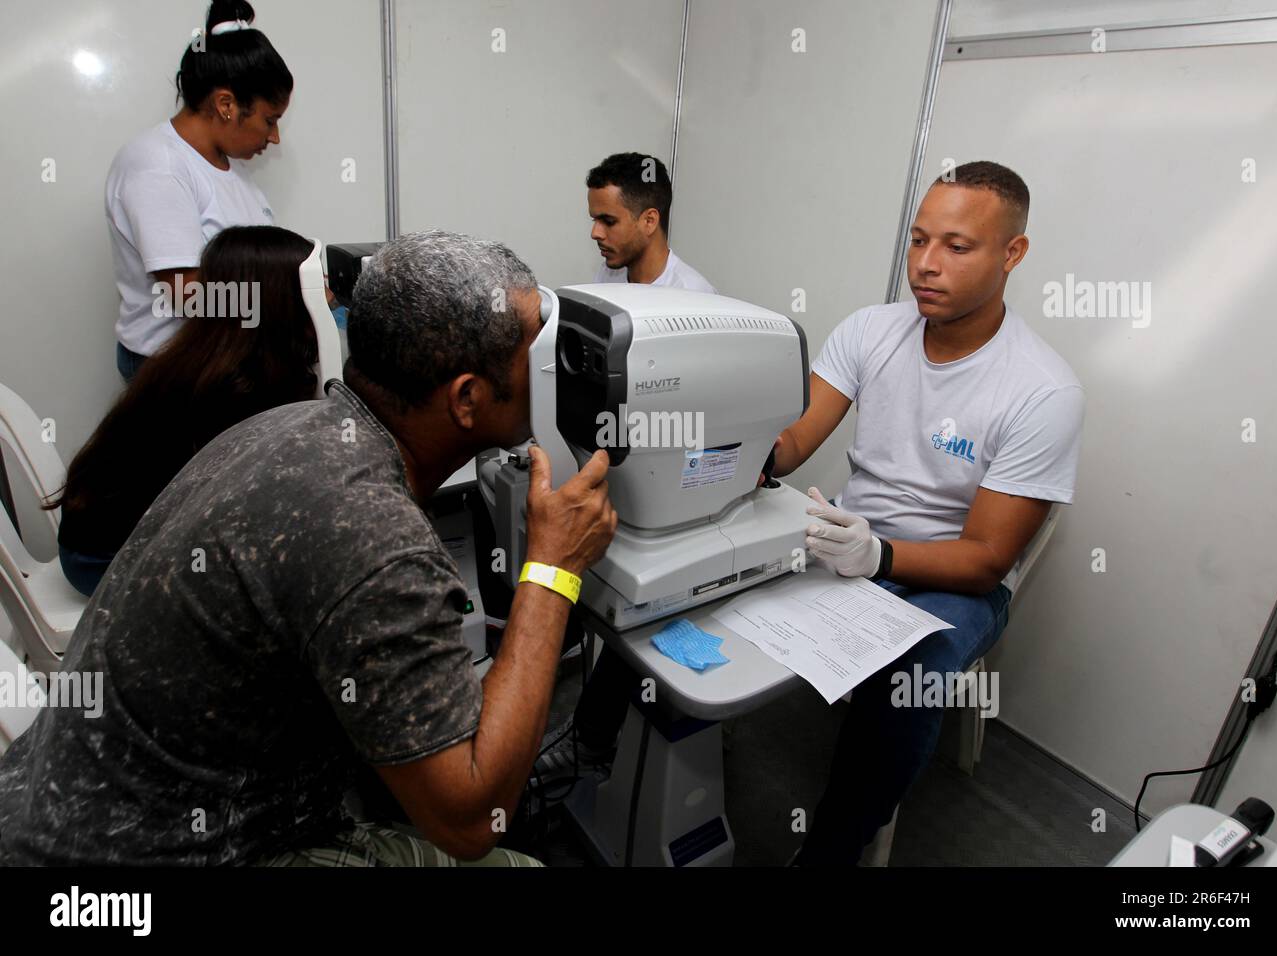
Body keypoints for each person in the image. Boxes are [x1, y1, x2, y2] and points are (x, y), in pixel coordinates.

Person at [0, 230, 617, 866]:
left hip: (56, 808)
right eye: (530, 349)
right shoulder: (371, 538)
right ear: (466, 398)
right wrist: (553, 570)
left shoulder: (287, 426)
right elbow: (471, 819)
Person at [559, 162, 1086, 866]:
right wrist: (701, 460)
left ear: (1012, 254)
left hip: (950, 574)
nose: (926, 266)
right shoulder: (872, 331)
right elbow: (791, 443)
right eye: (918, 240)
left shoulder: (1042, 390)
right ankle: (589, 742)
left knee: (911, 682)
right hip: (843, 530)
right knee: (667, 573)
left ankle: (832, 851)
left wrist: (881, 557)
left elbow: (989, 556)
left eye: (956, 248)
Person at [49, 225, 322, 597]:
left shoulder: (209, 356)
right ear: (282, 299)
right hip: (103, 560)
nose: (330, 294)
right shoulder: (230, 389)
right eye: (316, 282)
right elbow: (243, 510)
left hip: (119, 540)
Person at [107, 0, 291, 380]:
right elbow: (190, 296)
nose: (274, 137)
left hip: (223, 357)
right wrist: (288, 303)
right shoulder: (157, 165)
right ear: (226, 104)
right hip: (173, 368)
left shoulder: (230, 168)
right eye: (269, 120)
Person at [587, 152, 716, 292]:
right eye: (595, 220)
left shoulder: (693, 295)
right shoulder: (607, 276)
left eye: (609, 221)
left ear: (649, 221)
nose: (595, 233)